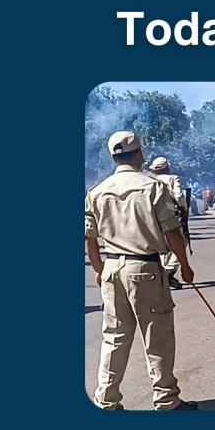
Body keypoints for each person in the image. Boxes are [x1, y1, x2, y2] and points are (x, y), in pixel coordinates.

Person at [84, 131, 197, 411]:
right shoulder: (152, 186)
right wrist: (184, 266)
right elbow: (172, 232)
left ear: (113, 157)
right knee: (156, 337)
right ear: (138, 155)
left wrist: (99, 269)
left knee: (114, 337)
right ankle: (166, 400)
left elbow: (89, 237)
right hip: (144, 267)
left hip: (112, 267)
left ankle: (106, 400)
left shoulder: (96, 191)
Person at [148, 157, 188, 289]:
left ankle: (164, 272)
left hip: (154, 216)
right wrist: (184, 208)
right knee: (181, 242)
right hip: (171, 214)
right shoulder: (173, 178)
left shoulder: (151, 180)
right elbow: (178, 196)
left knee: (163, 245)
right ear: (167, 168)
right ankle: (169, 271)